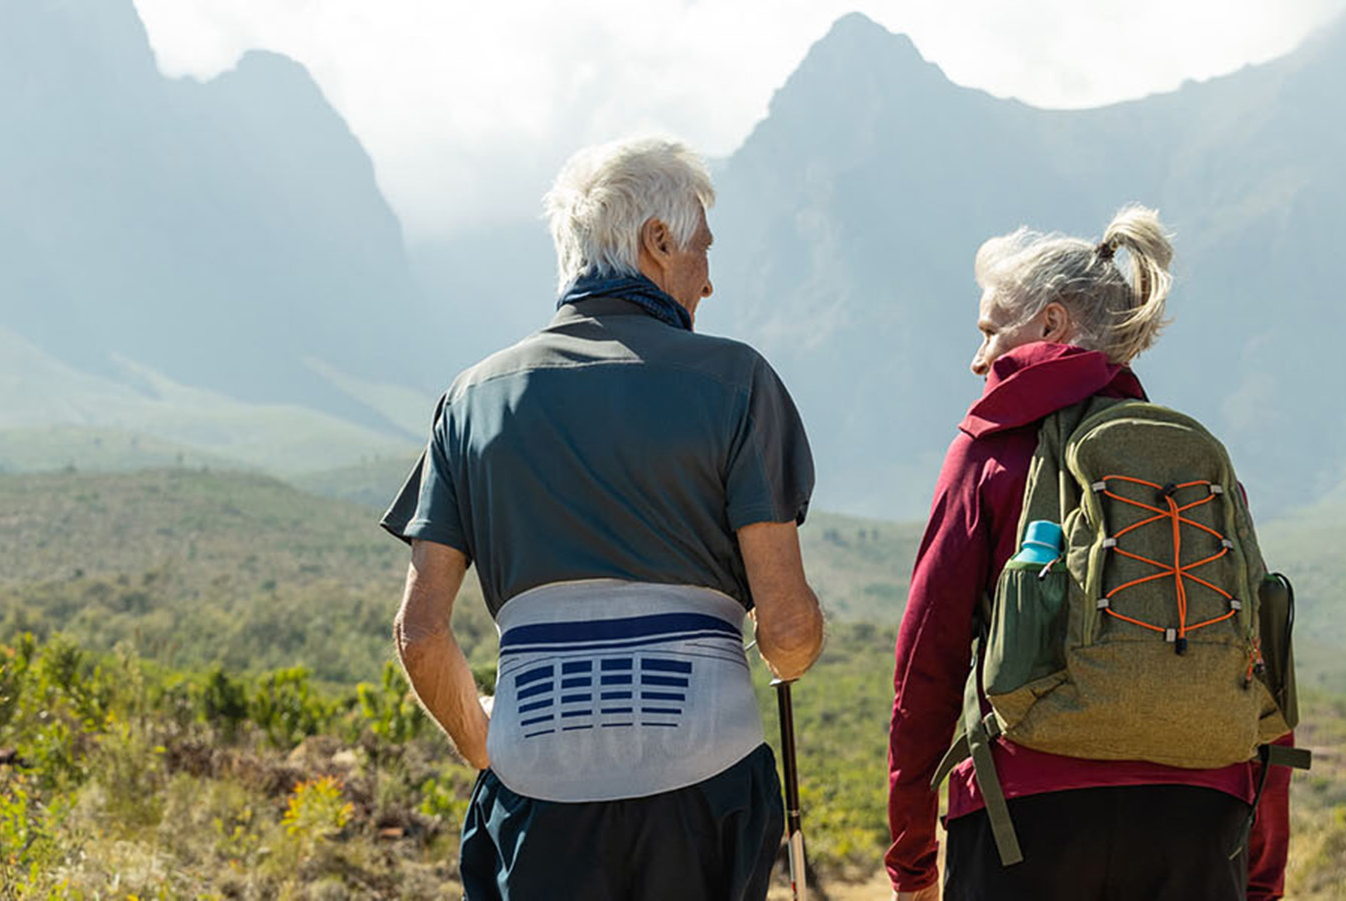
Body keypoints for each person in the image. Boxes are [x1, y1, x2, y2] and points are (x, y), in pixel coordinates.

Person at [381, 136, 825, 901]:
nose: (709, 281)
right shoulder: (737, 381)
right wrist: (791, 649)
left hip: (536, 793)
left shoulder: (471, 399)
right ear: (658, 241)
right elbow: (785, 631)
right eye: (701, 251)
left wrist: (487, 741)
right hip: (704, 783)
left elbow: (420, 634)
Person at [886, 206, 1293, 901]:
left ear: (1050, 325)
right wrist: (1262, 872)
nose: (978, 358)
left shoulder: (988, 453)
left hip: (1026, 817)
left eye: (989, 331)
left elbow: (928, 662)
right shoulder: (1188, 466)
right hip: (1203, 820)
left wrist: (912, 857)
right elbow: (1265, 661)